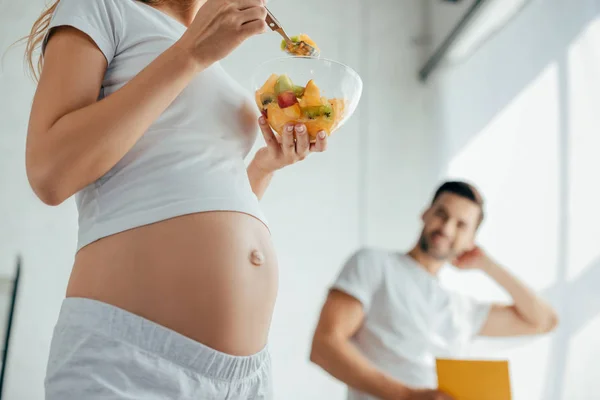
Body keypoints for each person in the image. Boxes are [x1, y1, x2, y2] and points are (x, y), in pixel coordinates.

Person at [23, 0, 330, 398]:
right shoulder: (102, 8)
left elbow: (189, 199)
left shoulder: (203, 50)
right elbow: (51, 173)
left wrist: (265, 166)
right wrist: (192, 52)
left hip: (245, 378)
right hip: (131, 362)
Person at [309, 181, 559, 400]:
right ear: (426, 213)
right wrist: (407, 396)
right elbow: (324, 346)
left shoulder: (463, 308)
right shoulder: (374, 264)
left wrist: (486, 265)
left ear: (472, 239)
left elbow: (545, 321)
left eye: (461, 225)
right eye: (442, 214)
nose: (447, 228)